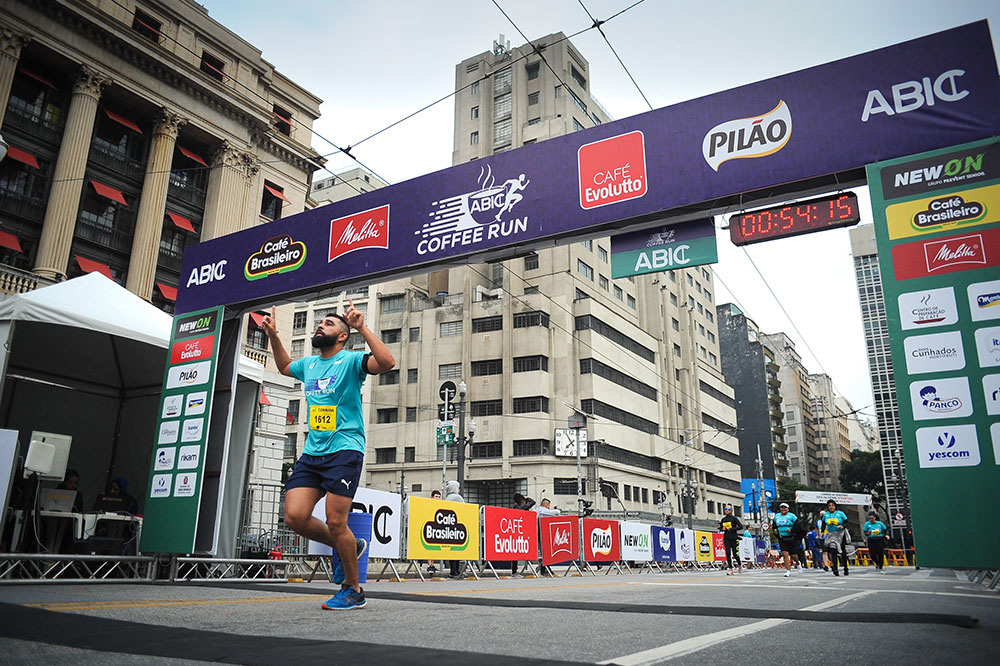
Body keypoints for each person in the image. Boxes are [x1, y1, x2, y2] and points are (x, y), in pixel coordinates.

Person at [264, 303, 395, 610]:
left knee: (337, 521)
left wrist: (362, 327)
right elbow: (284, 367)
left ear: (342, 336)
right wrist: (273, 335)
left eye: (328, 324)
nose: (319, 326)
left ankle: (353, 589)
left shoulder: (350, 360)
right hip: (313, 452)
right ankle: (347, 546)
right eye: (319, 323)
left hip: (345, 449)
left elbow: (387, 362)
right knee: (295, 517)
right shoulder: (309, 364)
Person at [821, 499, 850, 577]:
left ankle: (845, 567)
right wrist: (822, 532)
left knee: (842, 551)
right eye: (829, 506)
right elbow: (823, 524)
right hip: (830, 534)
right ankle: (835, 569)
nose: (831, 507)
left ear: (835, 506)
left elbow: (847, 522)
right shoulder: (825, 515)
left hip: (840, 534)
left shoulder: (840, 513)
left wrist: (842, 526)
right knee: (833, 550)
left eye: (833, 505)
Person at [773, 503, 803, 577]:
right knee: (785, 554)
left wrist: (792, 530)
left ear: (788, 509)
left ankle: (798, 563)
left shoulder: (792, 516)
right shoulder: (777, 516)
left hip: (792, 537)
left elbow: (798, 524)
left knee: (793, 554)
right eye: (782, 508)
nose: (783, 509)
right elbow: (774, 526)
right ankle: (788, 570)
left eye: (785, 508)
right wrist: (775, 531)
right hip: (782, 537)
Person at [510, 493, 536, 576]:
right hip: (521, 532)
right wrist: (527, 498)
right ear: (522, 501)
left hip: (518, 532)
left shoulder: (515, 507)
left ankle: (515, 571)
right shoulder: (521, 507)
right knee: (517, 553)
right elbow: (532, 502)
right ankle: (514, 571)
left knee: (516, 553)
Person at [444, 480, 465, 579]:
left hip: (449, 527)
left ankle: (453, 571)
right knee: (457, 551)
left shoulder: (447, 498)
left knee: (451, 551)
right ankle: (457, 571)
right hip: (458, 527)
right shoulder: (458, 497)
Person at [717, 505, 744, 575]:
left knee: (735, 554)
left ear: (731, 510)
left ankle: (740, 564)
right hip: (726, 538)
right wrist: (721, 528)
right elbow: (720, 527)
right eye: (725, 509)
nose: (727, 510)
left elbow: (741, 526)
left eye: (728, 509)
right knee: (728, 553)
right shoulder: (723, 519)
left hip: (734, 537)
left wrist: (731, 529)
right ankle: (730, 569)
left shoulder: (734, 518)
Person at [426, 489, 442, 575]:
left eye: (439, 497)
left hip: (436, 528)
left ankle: (432, 564)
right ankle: (429, 564)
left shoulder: (439, 505)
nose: (438, 498)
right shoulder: (429, 504)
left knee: (435, 547)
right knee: (430, 546)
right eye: (436, 496)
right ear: (432, 497)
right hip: (430, 527)